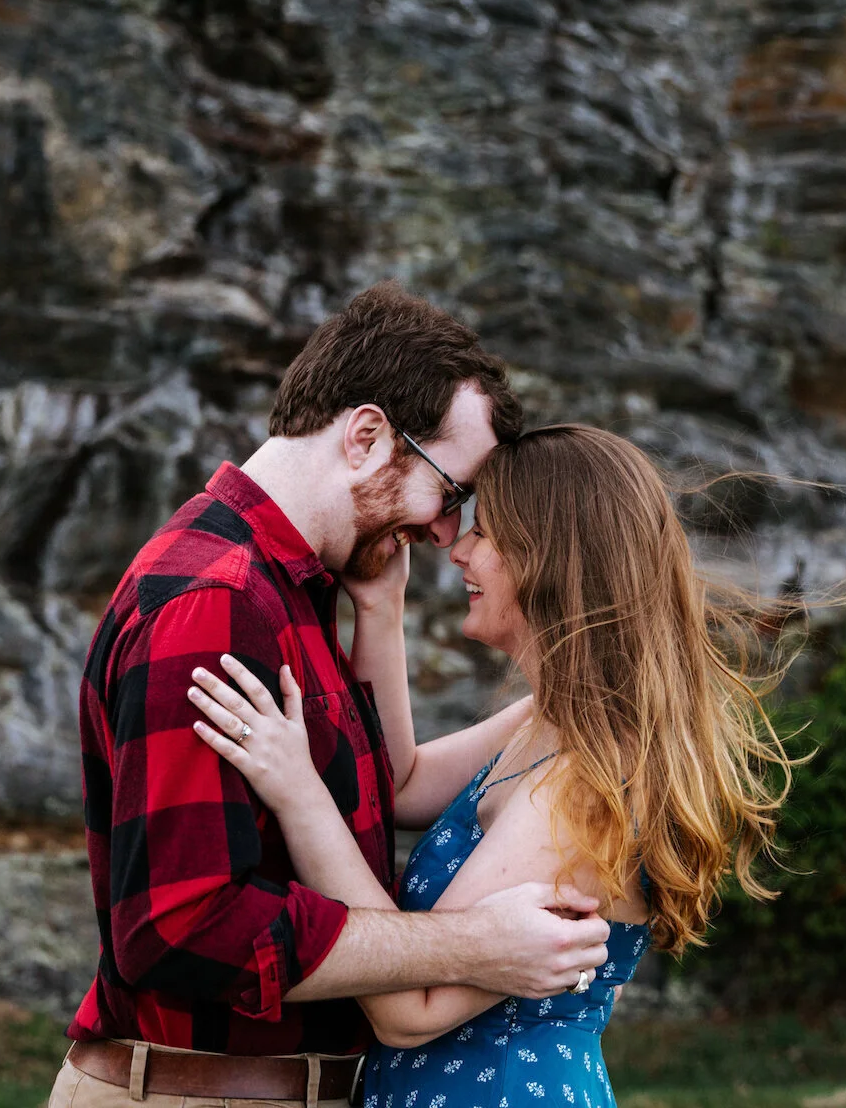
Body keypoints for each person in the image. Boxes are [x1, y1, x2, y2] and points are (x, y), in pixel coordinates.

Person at [49, 286, 615, 1108]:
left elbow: (387, 791)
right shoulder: (216, 603)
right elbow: (178, 926)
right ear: (365, 436)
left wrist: (375, 615)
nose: (448, 533)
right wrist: (469, 945)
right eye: (451, 493)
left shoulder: (294, 589)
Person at [188, 424, 798, 1108]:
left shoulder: (585, 781)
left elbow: (409, 1010)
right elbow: (401, 785)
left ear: (552, 559)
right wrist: (381, 608)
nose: (460, 552)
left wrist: (298, 791)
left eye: (487, 533)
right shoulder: (553, 719)